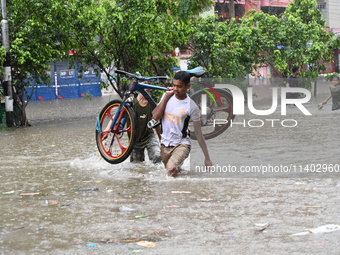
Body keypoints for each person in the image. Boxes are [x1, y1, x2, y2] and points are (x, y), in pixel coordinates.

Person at [152, 71, 212, 177]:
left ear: (187, 86)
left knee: (170, 169)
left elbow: (198, 133)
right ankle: (179, 191)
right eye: (174, 85)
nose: (175, 89)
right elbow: (155, 117)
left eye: (179, 87)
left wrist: (207, 158)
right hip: (164, 144)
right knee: (173, 173)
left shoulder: (192, 106)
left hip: (181, 144)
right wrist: (166, 97)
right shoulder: (167, 96)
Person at [103, 89, 162, 164]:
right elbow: (116, 116)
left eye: (148, 84)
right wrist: (107, 130)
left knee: (157, 157)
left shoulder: (152, 104)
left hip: (149, 137)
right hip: (134, 141)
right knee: (136, 166)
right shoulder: (131, 103)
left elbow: (156, 124)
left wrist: (162, 141)